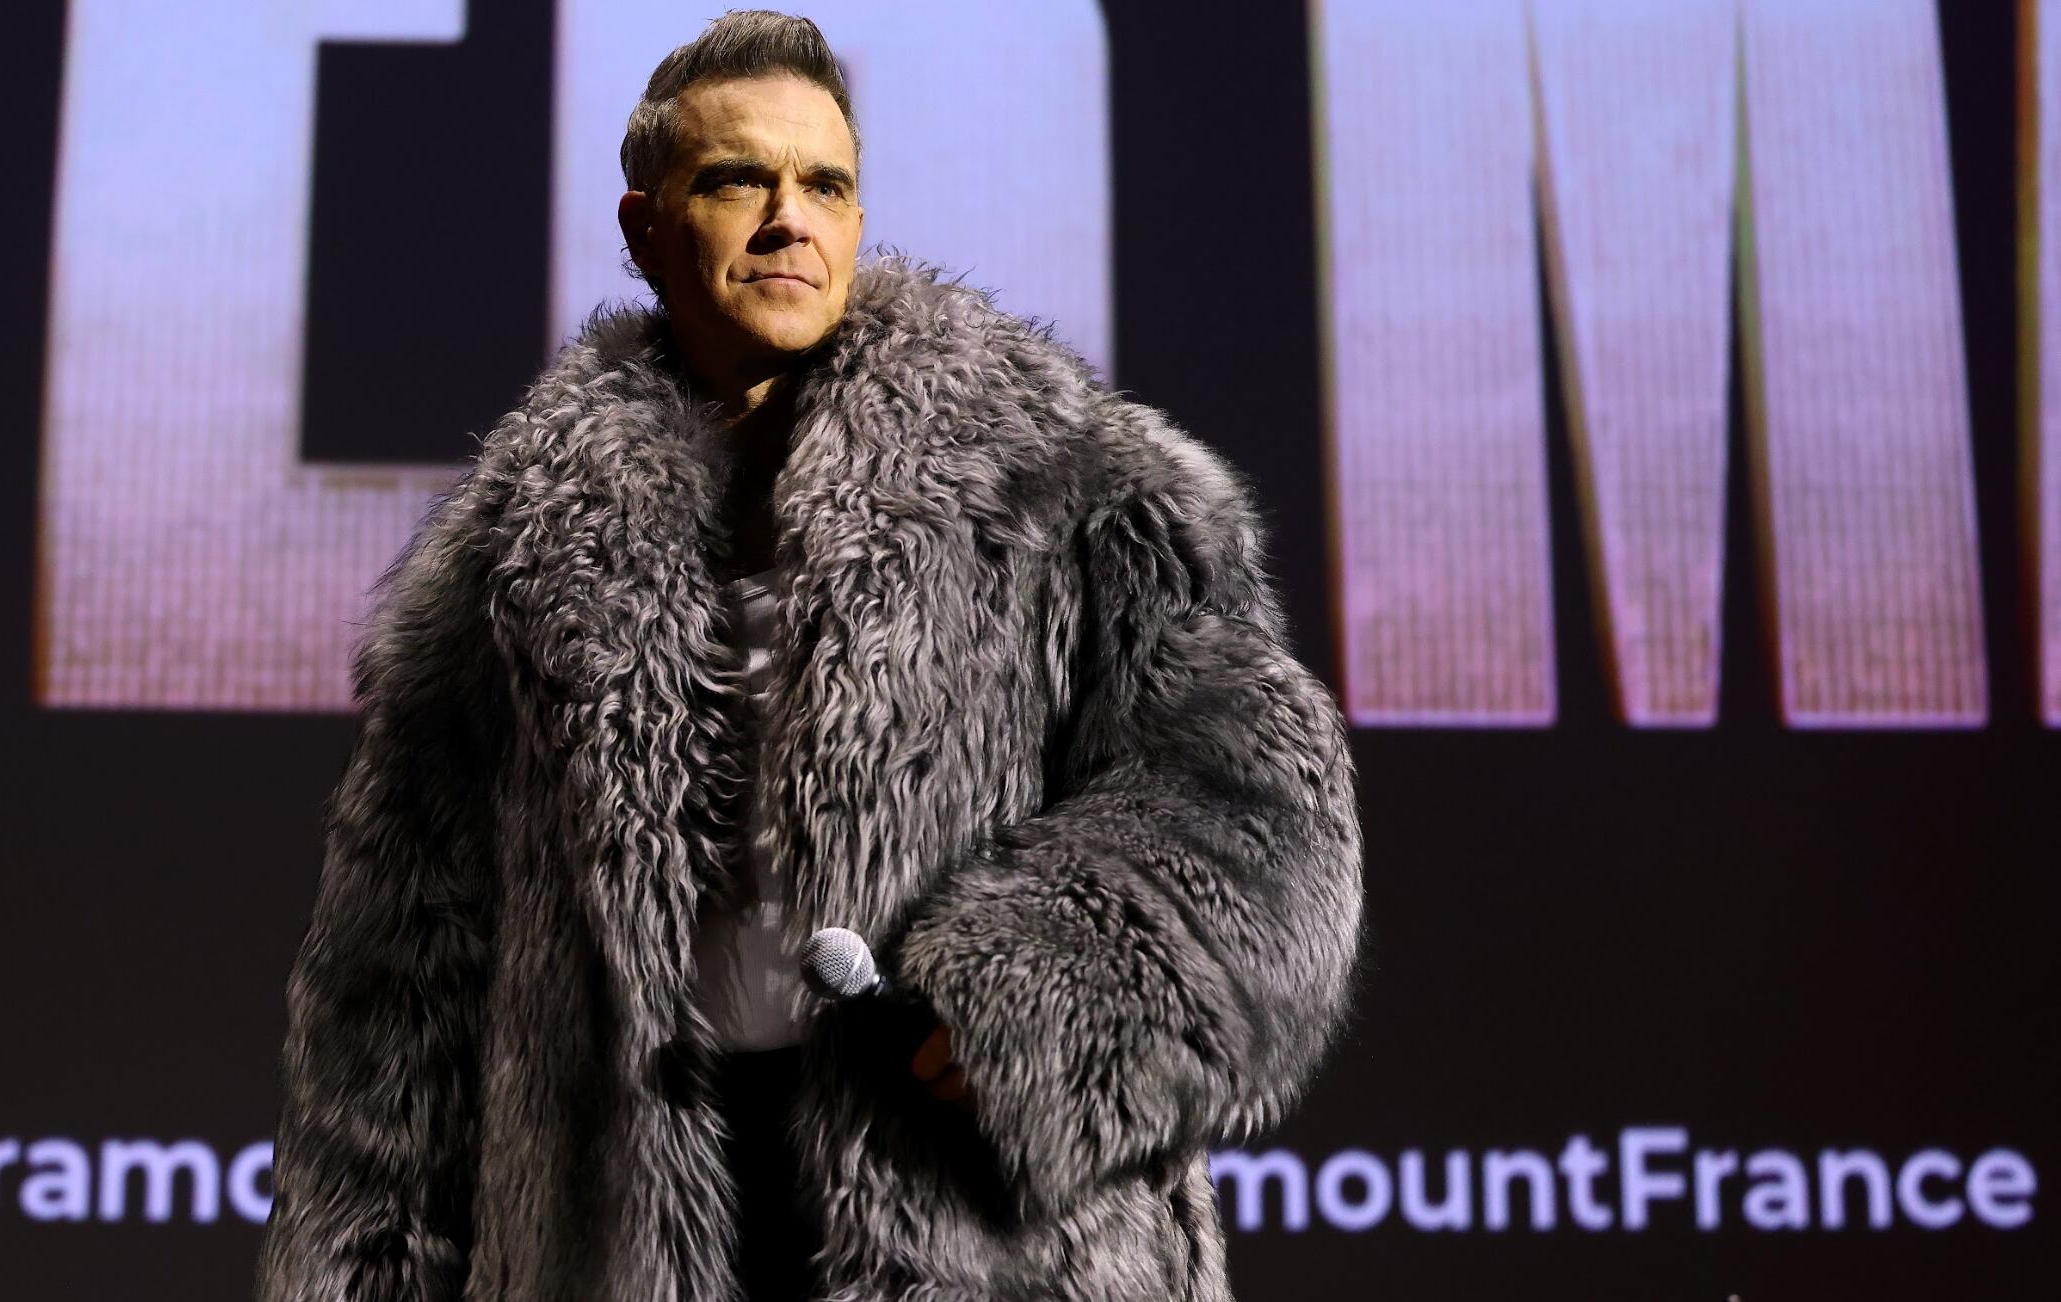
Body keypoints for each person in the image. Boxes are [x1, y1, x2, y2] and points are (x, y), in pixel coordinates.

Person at [253, 10, 1364, 1301]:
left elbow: (1259, 804)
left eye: (825, 185)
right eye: (739, 181)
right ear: (644, 228)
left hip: (977, 1208)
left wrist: (1035, 998)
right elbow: (396, 996)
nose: (790, 220)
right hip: (629, 1228)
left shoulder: (1060, 477)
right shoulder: (502, 559)